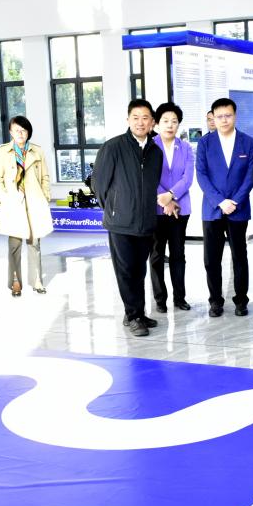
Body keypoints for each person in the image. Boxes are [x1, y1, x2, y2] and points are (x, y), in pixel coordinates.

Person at [93, 99, 164, 337]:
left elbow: (152, 185)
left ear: (152, 122)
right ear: (128, 120)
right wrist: (114, 209)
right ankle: (134, 316)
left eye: (145, 118)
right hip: (120, 223)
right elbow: (99, 185)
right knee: (125, 271)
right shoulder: (113, 147)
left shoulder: (155, 151)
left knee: (139, 270)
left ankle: (136, 312)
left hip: (145, 222)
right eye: (136, 117)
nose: (140, 122)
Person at [194, 97, 253, 317]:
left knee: (240, 256)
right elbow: (201, 175)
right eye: (219, 116)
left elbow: (250, 176)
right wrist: (220, 201)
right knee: (211, 259)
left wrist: (235, 201)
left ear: (235, 116)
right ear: (213, 117)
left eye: (228, 115)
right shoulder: (205, 143)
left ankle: (241, 300)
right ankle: (215, 301)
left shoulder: (248, 142)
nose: (224, 120)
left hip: (239, 209)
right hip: (212, 209)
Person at [0, 116, 53, 297]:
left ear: (28, 132)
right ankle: (15, 283)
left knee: (34, 244)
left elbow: (45, 177)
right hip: (13, 204)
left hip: (34, 204)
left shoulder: (37, 151)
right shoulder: (2, 151)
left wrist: (45, 197)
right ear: (10, 132)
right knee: (14, 246)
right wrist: (5, 199)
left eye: (23, 130)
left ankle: (37, 281)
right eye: (16, 130)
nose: (20, 133)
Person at [149, 102, 195, 313]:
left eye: (174, 121)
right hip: (156, 209)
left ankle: (180, 298)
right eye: (165, 121)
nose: (170, 125)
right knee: (157, 255)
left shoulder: (185, 148)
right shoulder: (150, 146)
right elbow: (148, 177)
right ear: (157, 124)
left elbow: (188, 178)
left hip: (180, 209)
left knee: (178, 254)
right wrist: (165, 200)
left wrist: (171, 195)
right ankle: (160, 299)